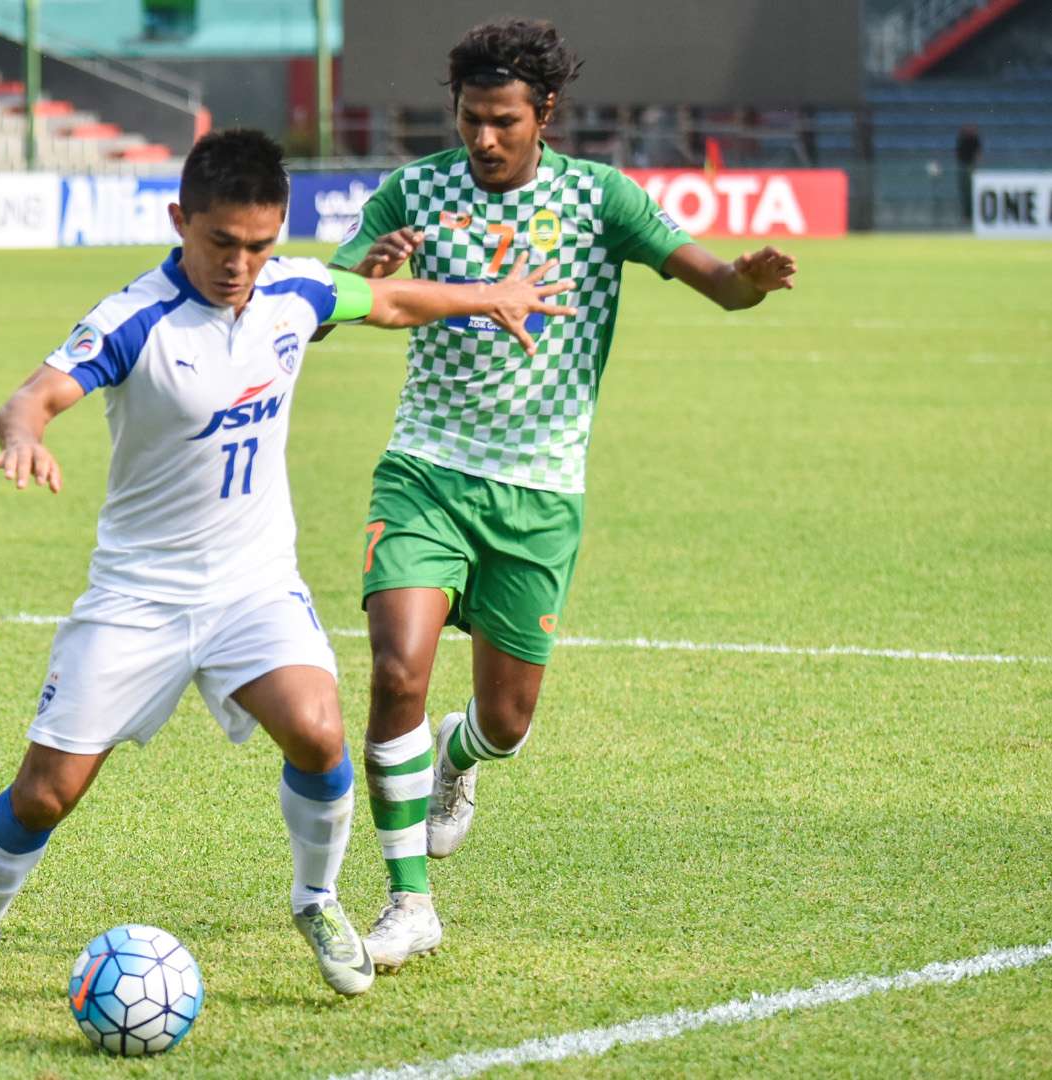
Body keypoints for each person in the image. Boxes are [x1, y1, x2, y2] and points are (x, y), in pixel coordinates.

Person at [0, 129, 573, 1001]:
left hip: (253, 587)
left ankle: (316, 898)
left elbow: (387, 301)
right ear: (180, 219)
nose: (240, 264)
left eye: (259, 244)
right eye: (221, 242)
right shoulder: (134, 317)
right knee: (45, 792)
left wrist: (489, 295)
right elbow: (29, 397)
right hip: (137, 596)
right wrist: (23, 439)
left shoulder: (292, 289)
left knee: (319, 729)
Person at [325, 18, 797, 974]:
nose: (484, 140)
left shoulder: (599, 199)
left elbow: (714, 283)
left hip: (540, 494)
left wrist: (745, 282)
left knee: (504, 722)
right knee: (395, 671)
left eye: (503, 121)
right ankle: (407, 901)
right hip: (426, 471)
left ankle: (457, 759)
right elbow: (323, 305)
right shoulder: (413, 191)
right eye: (469, 121)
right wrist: (354, 278)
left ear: (545, 113)